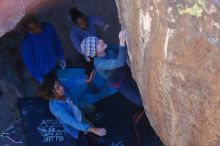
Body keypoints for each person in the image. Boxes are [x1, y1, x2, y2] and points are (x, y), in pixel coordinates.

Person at [39, 74, 107, 145]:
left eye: (60, 84)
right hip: (77, 119)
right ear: (52, 94)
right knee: (93, 129)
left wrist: (86, 80)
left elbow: (71, 82)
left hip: (78, 107)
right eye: (57, 88)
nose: (62, 87)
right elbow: (72, 122)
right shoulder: (55, 108)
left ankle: (94, 118)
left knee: (92, 108)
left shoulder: (62, 91)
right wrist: (92, 129)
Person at [80, 30, 143, 106]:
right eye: (97, 43)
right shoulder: (100, 64)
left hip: (125, 71)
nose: (101, 40)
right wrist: (122, 41)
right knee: (139, 100)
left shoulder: (106, 48)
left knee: (139, 87)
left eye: (98, 39)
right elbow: (120, 62)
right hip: (121, 82)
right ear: (94, 52)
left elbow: (122, 49)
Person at [20, 15, 66, 83]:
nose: (39, 29)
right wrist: (39, 78)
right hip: (43, 73)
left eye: (38, 25)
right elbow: (29, 63)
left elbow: (56, 42)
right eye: (34, 28)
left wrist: (62, 57)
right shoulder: (26, 44)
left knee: (60, 87)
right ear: (29, 30)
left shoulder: (48, 27)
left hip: (54, 64)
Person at [69, 8, 109, 82]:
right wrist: (91, 53)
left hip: (97, 46)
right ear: (76, 25)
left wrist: (104, 25)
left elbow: (101, 22)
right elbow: (79, 48)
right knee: (89, 70)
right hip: (86, 53)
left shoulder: (90, 19)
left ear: (85, 17)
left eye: (85, 20)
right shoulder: (73, 33)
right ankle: (89, 81)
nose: (84, 24)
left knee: (106, 57)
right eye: (80, 24)